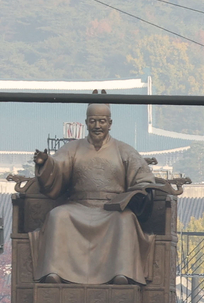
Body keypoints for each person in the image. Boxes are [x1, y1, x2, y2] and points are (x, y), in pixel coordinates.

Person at [31, 103, 164, 285]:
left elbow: (144, 178)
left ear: (110, 123)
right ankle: (55, 272)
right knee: (58, 216)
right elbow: (57, 166)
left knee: (125, 220)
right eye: (93, 121)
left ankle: (121, 273)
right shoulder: (73, 148)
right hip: (78, 206)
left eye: (102, 121)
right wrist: (45, 163)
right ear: (86, 123)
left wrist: (137, 192)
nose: (97, 126)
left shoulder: (124, 150)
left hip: (112, 209)